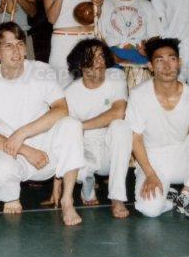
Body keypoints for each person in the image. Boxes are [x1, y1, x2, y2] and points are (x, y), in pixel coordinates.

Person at [0, 22, 87, 226]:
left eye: (20, 44)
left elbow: (61, 109)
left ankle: (67, 200)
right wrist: (24, 148)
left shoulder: (41, 70)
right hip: (11, 150)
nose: (16, 51)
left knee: (72, 125)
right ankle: (11, 196)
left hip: (46, 149)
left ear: (25, 48)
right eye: (8, 46)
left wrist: (23, 133)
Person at [127, 37, 189, 218]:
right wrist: (150, 174)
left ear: (179, 63)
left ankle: (185, 192)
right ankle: (170, 197)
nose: (166, 66)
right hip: (153, 161)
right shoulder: (138, 95)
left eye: (171, 59)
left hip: (183, 158)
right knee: (150, 210)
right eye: (159, 60)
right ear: (150, 66)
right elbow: (135, 138)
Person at [47, 39, 132, 218]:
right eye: (92, 58)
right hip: (85, 148)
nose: (99, 61)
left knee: (121, 126)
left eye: (101, 56)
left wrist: (81, 125)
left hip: (110, 146)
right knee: (79, 171)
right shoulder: (69, 93)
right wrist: (57, 181)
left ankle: (117, 197)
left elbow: (118, 112)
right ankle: (87, 182)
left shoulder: (116, 76)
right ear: (80, 65)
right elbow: (64, 137)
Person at [98, 0, 161, 65]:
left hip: (140, 56)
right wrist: (115, 58)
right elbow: (99, 37)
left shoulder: (146, 5)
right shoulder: (103, 4)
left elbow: (154, 36)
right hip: (111, 56)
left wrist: (148, 51)